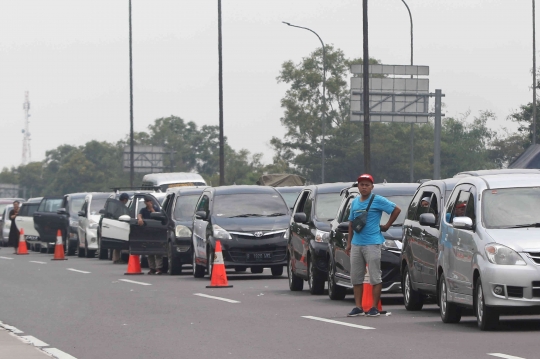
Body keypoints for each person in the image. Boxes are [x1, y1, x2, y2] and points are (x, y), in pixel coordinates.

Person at [346, 174, 401, 317]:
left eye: (367, 185)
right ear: (358, 186)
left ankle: (374, 307)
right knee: (356, 277)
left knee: (375, 276)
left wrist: (387, 225)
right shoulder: (355, 202)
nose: (364, 187)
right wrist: (349, 243)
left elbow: (396, 210)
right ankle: (358, 306)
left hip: (373, 242)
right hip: (357, 244)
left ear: (372, 187)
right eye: (361, 184)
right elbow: (351, 223)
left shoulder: (377, 200)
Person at [138, 195, 163, 275]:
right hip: (148, 233)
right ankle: (152, 268)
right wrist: (140, 219)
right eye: (147, 201)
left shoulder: (156, 209)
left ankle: (158, 268)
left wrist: (151, 208)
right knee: (149, 251)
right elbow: (139, 215)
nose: (148, 203)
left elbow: (158, 216)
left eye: (149, 201)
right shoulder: (143, 210)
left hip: (156, 232)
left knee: (158, 251)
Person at [112, 193, 130, 264]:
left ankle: (116, 258)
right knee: (117, 243)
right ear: (125, 199)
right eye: (127, 200)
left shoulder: (118, 206)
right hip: (118, 225)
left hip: (118, 224)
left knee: (118, 243)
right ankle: (116, 258)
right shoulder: (119, 207)